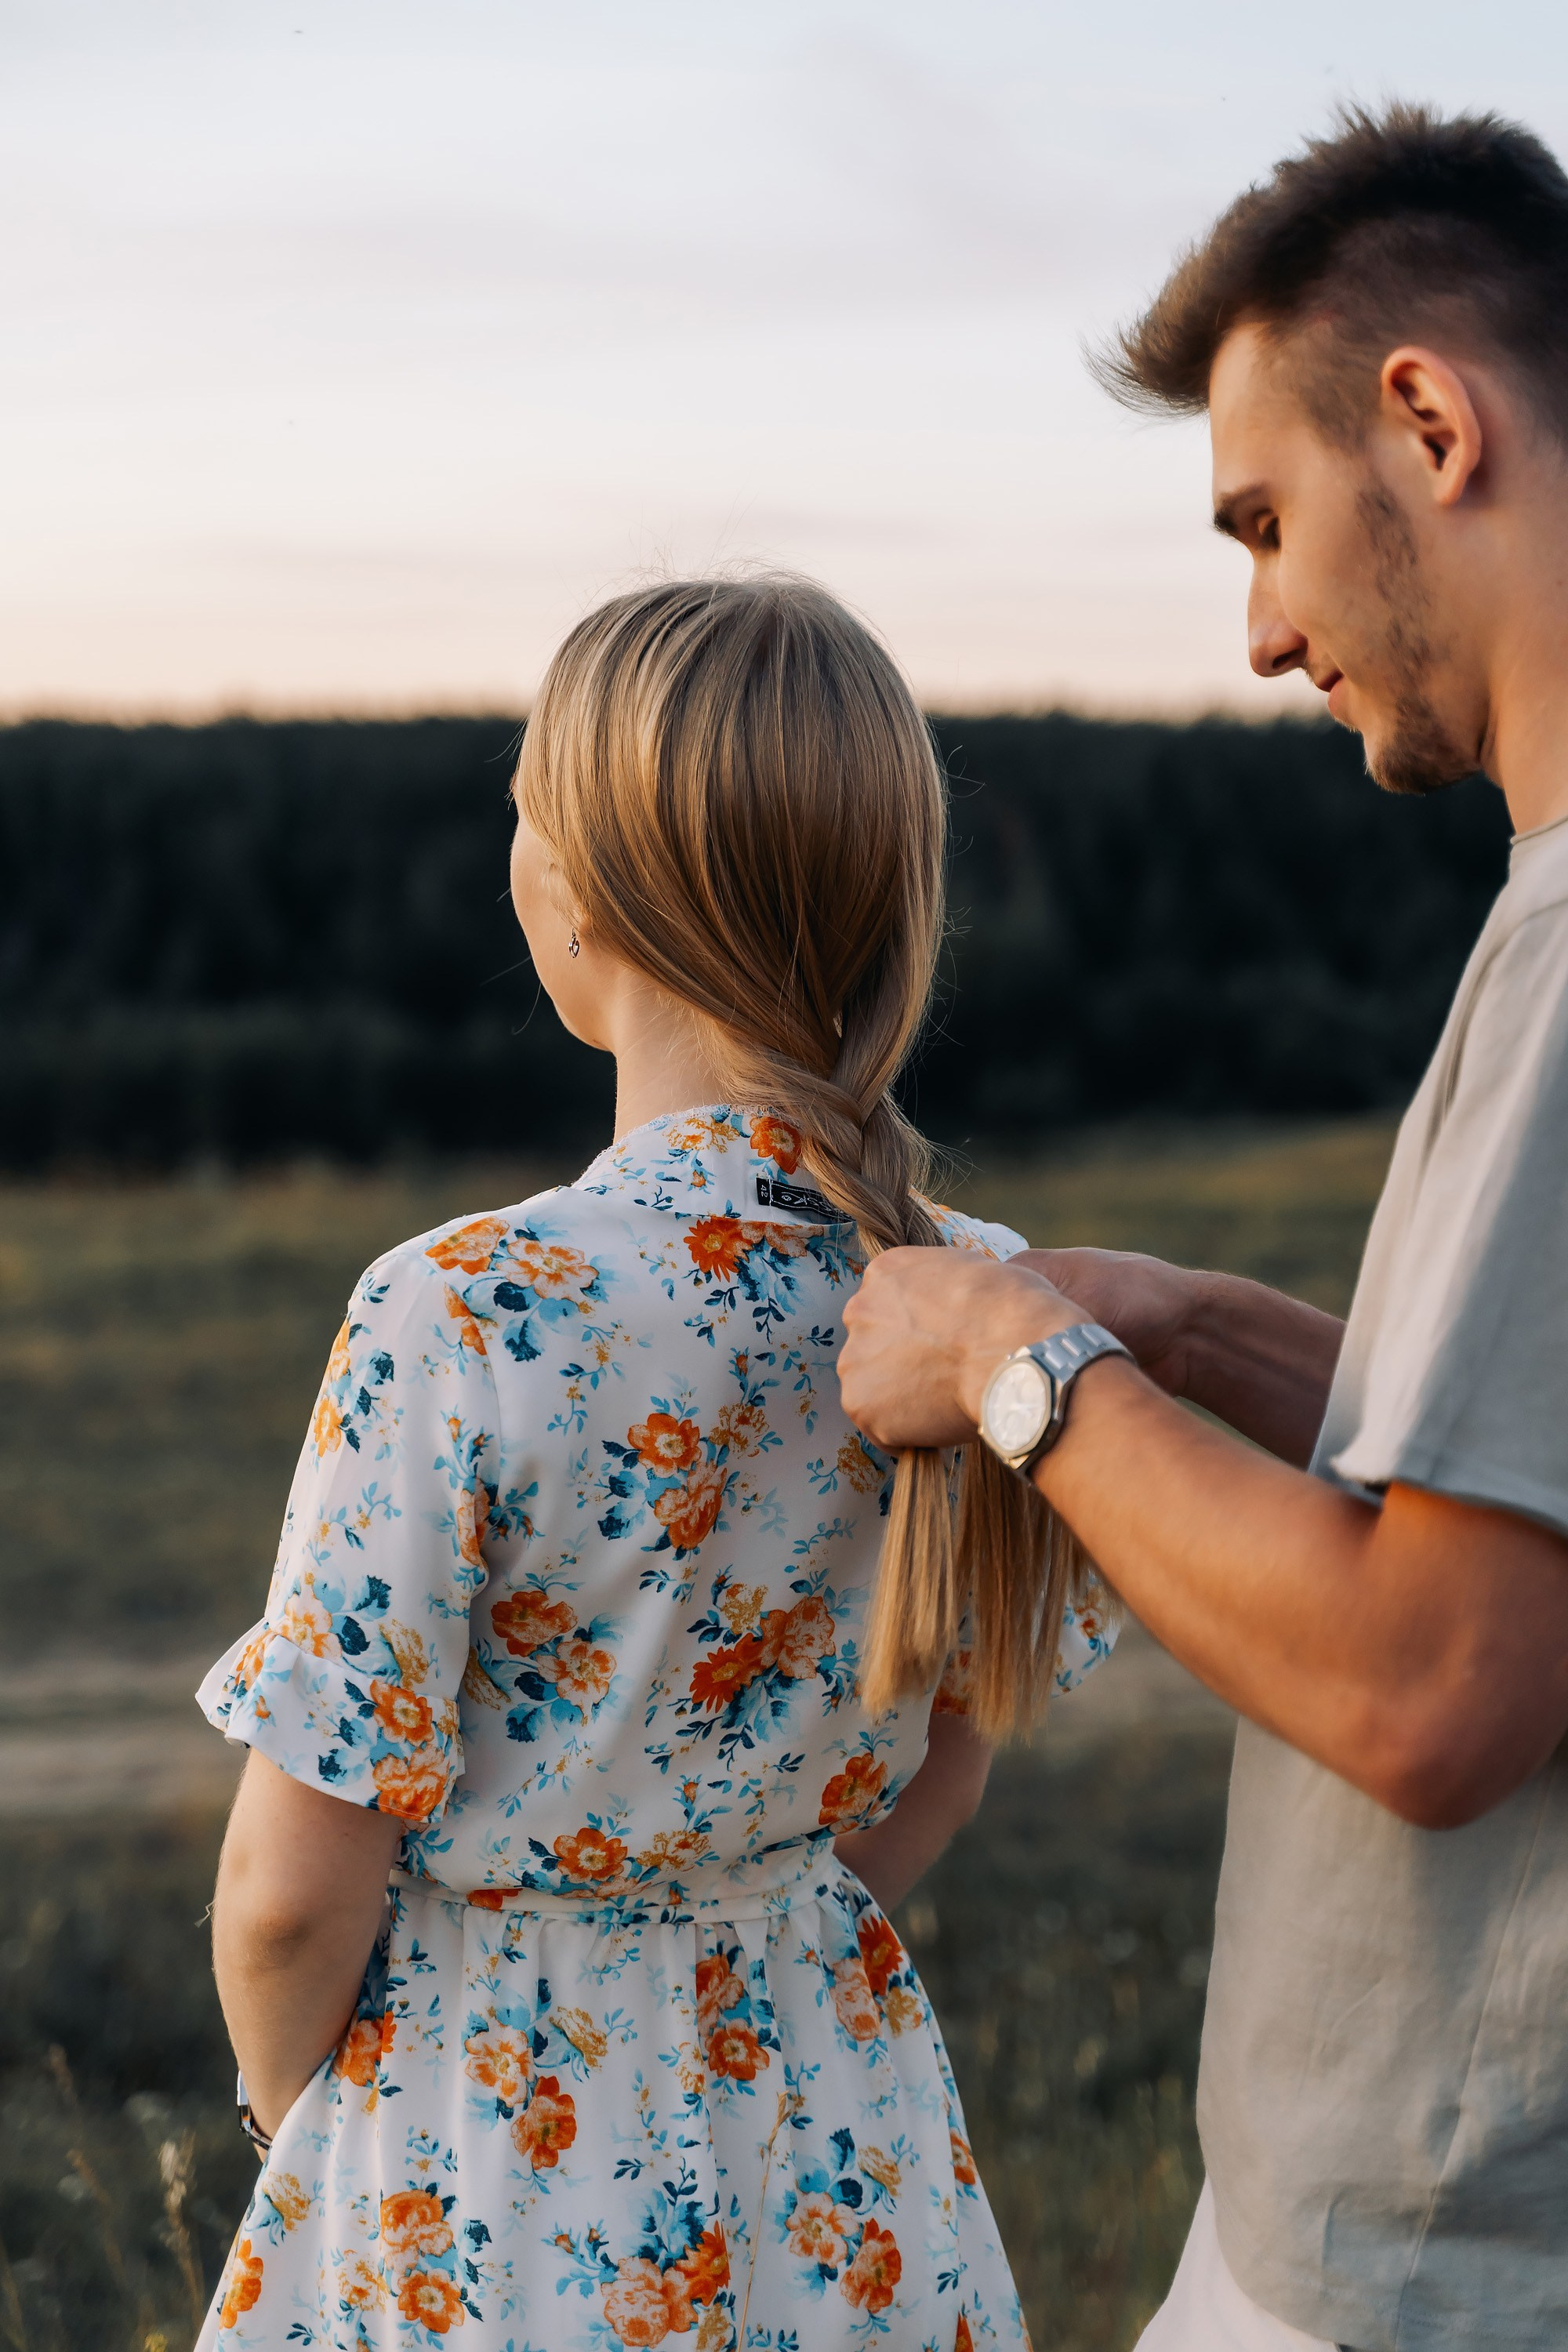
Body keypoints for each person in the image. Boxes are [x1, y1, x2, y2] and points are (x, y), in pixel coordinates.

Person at [836, 103, 1568, 2352]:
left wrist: (1011, 1369)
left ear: (1428, 422)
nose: (1263, 630)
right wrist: (1175, 1324)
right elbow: (1517, 1490)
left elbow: (1435, 1682)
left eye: (1264, 522)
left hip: (1438, 2268)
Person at [194, 575, 1114, 2350]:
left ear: (580, 895)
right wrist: (752, 1941)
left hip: (482, 2159)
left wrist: (288, 2111)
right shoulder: (974, 1305)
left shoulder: (463, 1312)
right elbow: (948, 1761)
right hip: (847, 2142)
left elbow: (288, 1886)